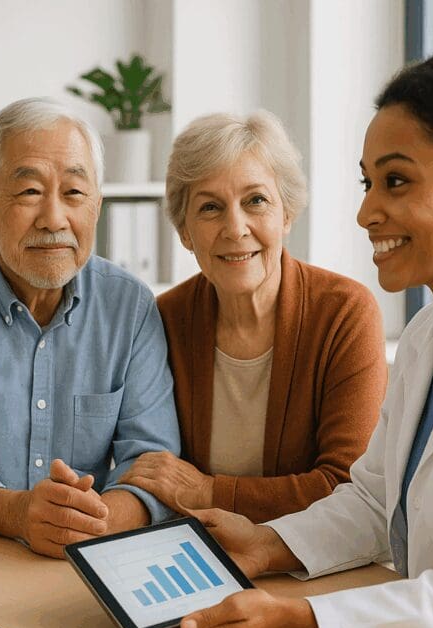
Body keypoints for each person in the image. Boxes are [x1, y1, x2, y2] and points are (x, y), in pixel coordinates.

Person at [140, 49, 433, 628]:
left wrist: (293, 616)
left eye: (396, 181)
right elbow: (376, 502)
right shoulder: (432, 331)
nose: (365, 212)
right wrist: (268, 545)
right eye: (367, 182)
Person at [0, 98, 181, 558]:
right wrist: (19, 513)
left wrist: (88, 522)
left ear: (97, 207)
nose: (54, 219)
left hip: (94, 559)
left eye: (73, 193)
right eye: (29, 192)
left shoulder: (130, 307)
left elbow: (151, 463)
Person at [120, 112, 386, 522]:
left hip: (310, 561)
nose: (235, 227)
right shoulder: (165, 319)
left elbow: (346, 487)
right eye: (210, 207)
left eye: (255, 201)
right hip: (200, 553)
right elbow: (153, 472)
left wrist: (208, 491)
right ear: (185, 232)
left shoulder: (344, 313)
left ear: (287, 214)